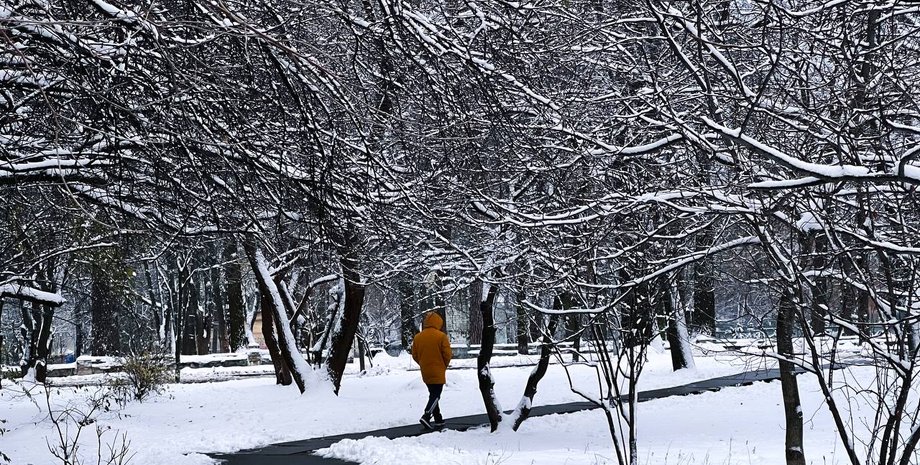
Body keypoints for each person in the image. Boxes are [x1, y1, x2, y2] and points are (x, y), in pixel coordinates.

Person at [411, 311, 452, 429]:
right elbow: (447, 354)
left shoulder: (418, 337)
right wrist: (443, 365)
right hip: (438, 370)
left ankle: (438, 418)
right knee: (436, 395)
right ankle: (427, 415)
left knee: (432, 394)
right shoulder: (441, 336)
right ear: (438, 323)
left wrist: (423, 363)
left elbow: (414, 354)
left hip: (425, 371)